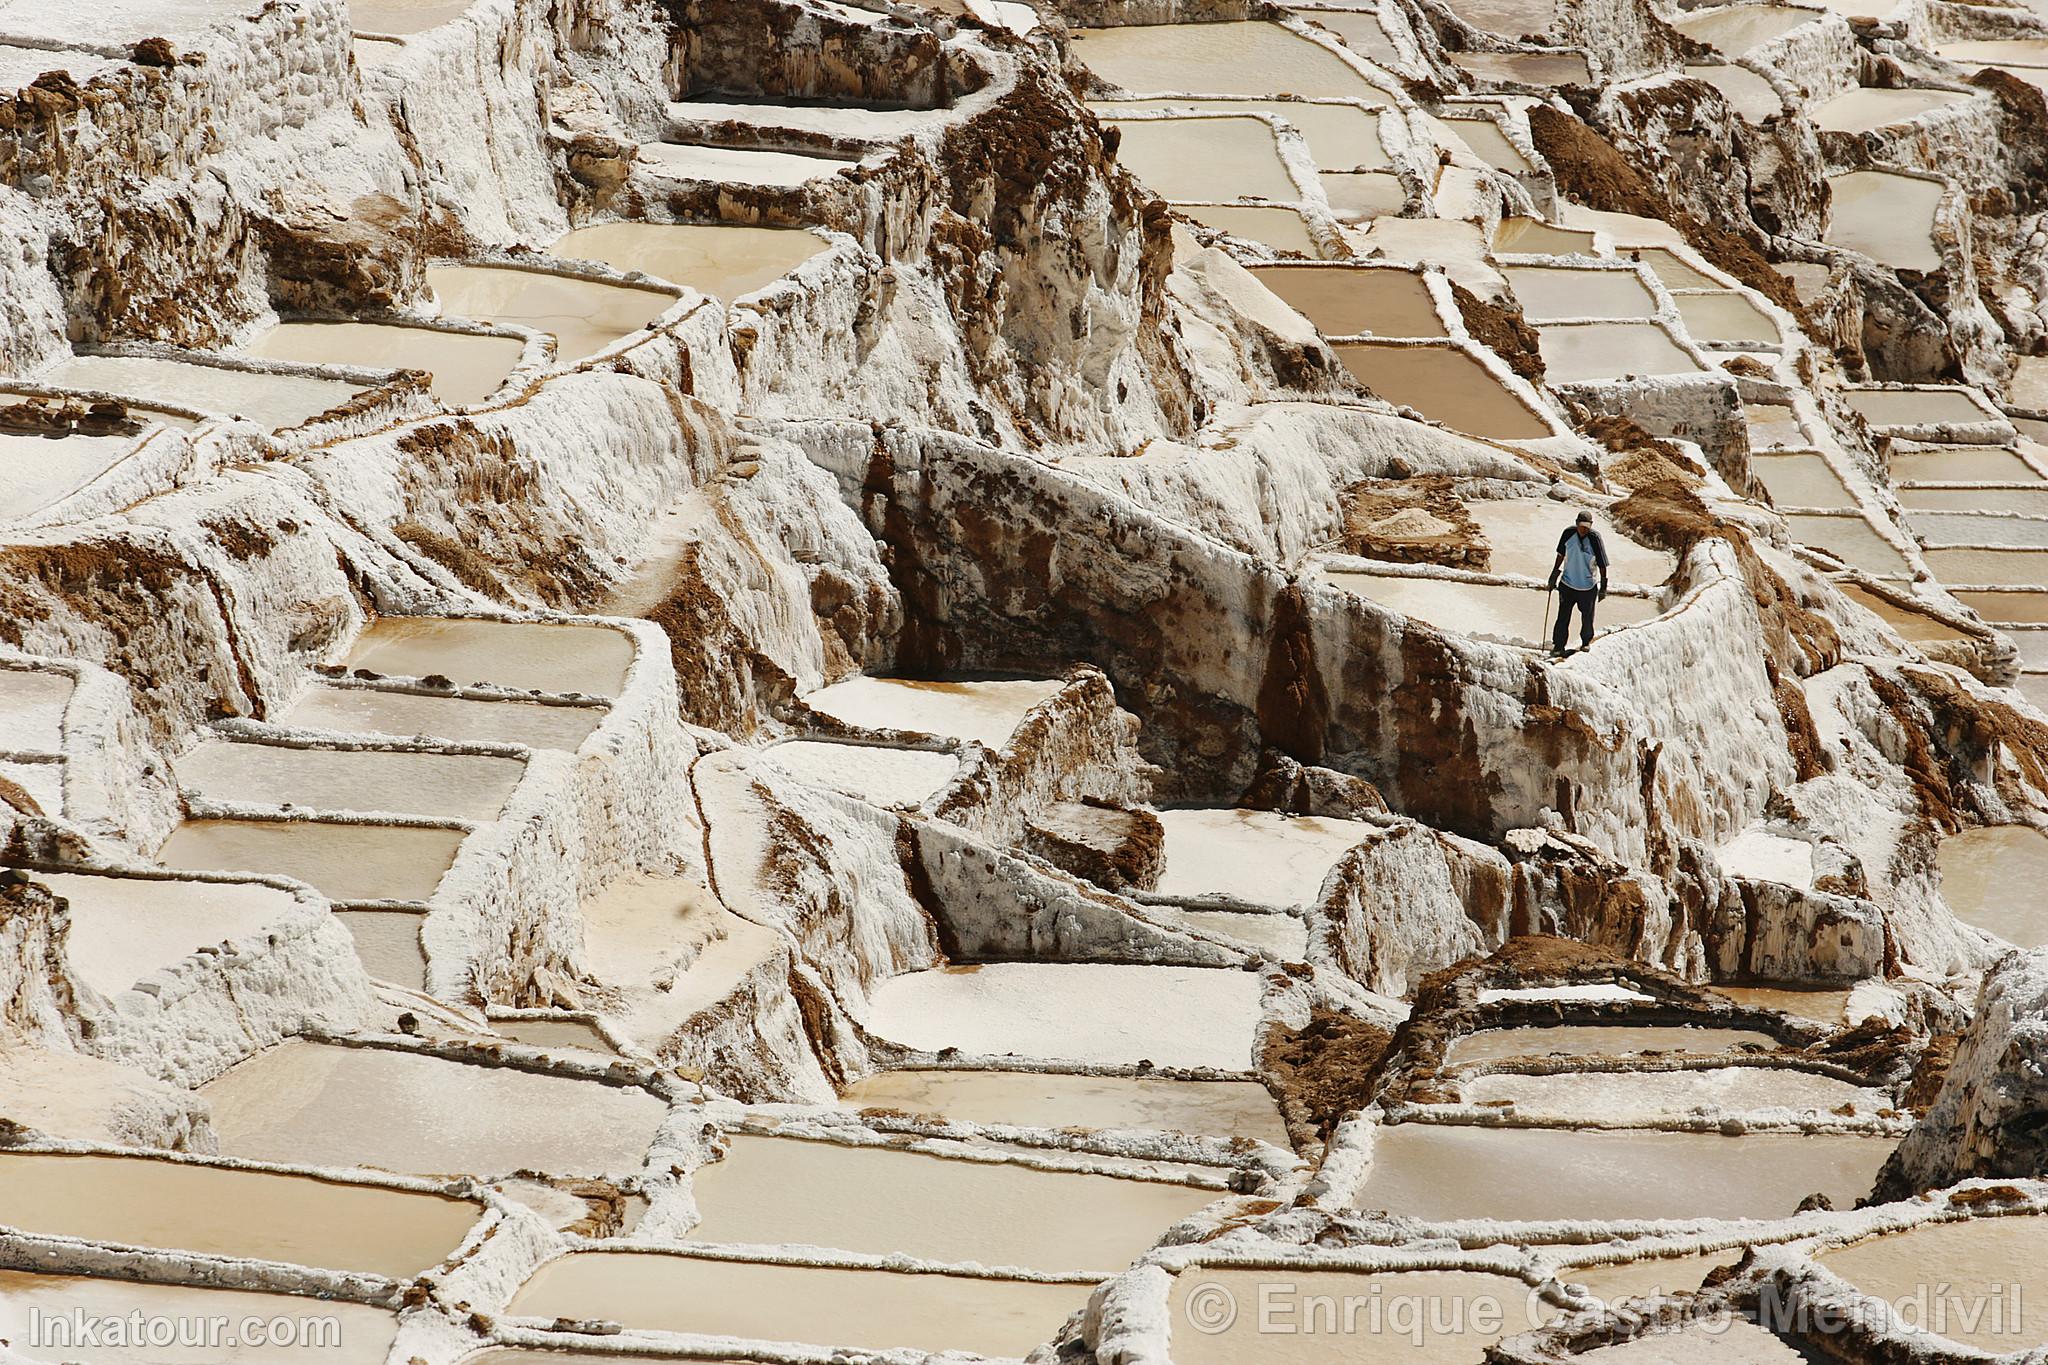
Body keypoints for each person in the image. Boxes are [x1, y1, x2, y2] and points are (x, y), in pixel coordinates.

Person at [1546, 509, 1609, 657]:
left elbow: (1602, 565)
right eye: (1581, 526)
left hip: (1587, 587)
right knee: (1562, 617)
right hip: (1567, 584)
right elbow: (1560, 554)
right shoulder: (1568, 534)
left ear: (1591, 526)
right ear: (1576, 524)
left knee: (1587, 618)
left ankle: (1586, 642)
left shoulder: (1595, 539)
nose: (1583, 529)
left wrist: (1603, 587)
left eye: (1587, 527)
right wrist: (1553, 575)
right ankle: (1558, 646)